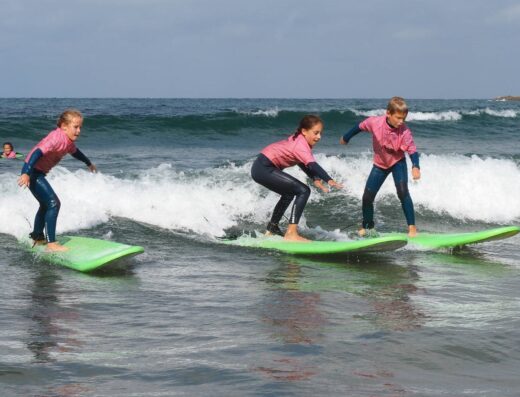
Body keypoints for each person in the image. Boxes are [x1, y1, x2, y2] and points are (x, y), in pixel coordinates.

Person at [251, 115, 343, 242]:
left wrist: (315, 178)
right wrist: (329, 179)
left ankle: (272, 229)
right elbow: (312, 165)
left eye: (320, 133)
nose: (319, 137)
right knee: (303, 190)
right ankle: (291, 234)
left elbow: (302, 163)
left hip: (261, 168)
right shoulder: (301, 145)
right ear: (304, 131)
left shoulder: (299, 140)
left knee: (289, 193)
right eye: (316, 133)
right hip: (264, 168)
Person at [340, 97, 421, 237]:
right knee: (367, 198)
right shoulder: (375, 123)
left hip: (397, 162)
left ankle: (412, 228)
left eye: (404, 118)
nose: (401, 121)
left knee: (402, 192)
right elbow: (359, 127)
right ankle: (368, 227)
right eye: (398, 118)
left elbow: (412, 150)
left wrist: (416, 166)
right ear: (388, 113)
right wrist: (346, 137)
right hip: (380, 164)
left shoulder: (405, 131)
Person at [18, 109, 97, 252]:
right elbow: (36, 152)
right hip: (32, 172)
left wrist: (88, 163)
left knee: (45, 204)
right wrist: (25, 173)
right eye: (75, 127)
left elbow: (76, 152)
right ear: (63, 126)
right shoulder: (56, 138)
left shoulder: (68, 142)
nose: (78, 131)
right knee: (54, 203)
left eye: (80, 127)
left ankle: (37, 236)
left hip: (38, 172)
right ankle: (51, 243)